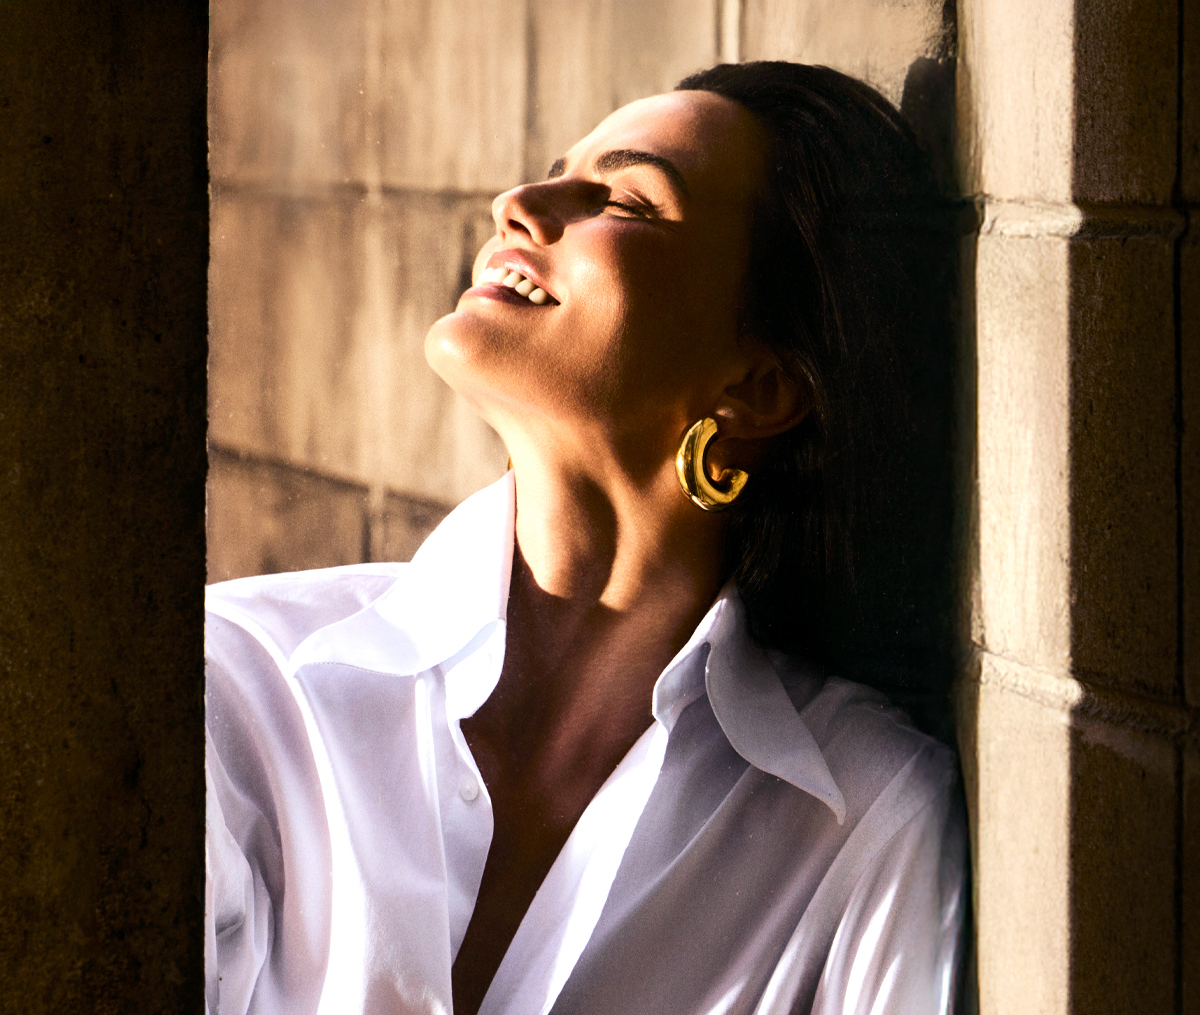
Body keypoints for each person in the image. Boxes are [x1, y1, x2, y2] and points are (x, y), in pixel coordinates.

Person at [205, 61, 967, 1015]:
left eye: (628, 199)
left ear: (758, 389)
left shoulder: (863, 822)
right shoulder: (241, 685)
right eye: (556, 170)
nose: (517, 201)